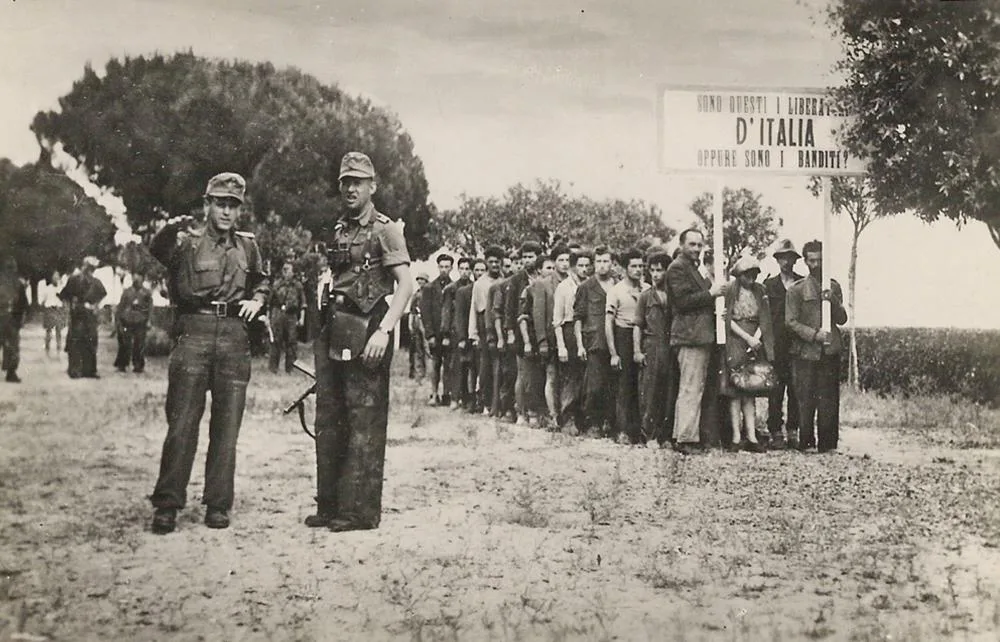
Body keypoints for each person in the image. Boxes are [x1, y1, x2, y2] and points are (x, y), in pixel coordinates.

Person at [148, 172, 269, 534]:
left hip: (234, 337)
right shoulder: (185, 242)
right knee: (182, 424)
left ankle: (218, 504)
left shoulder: (247, 246)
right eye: (220, 203)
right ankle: (167, 504)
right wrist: (170, 226)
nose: (227, 212)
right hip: (194, 333)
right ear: (206, 205)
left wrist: (258, 299)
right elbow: (157, 250)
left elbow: (261, 280)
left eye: (233, 205)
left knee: (227, 427)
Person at [307, 152, 413, 532]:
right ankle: (330, 504)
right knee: (330, 419)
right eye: (345, 182)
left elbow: (406, 285)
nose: (351, 188)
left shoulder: (385, 230)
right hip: (335, 329)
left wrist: (384, 330)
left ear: (373, 187)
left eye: (358, 182)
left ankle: (359, 512)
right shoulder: (340, 229)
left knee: (363, 421)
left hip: (367, 329)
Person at [666, 229, 728, 454]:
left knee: (692, 387)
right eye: (692, 244)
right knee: (691, 388)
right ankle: (686, 439)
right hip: (690, 336)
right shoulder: (677, 268)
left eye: (699, 245)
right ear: (681, 244)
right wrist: (711, 294)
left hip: (700, 335)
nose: (696, 249)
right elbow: (682, 301)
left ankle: (682, 434)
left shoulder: (693, 268)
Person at [786, 240, 847, 453]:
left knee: (829, 398)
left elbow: (842, 319)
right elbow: (791, 322)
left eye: (820, 260)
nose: (816, 264)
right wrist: (814, 335)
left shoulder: (834, 286)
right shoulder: (797, 290)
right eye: (811, 260)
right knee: (805, 397)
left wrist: (834, 302)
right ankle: (806, 441)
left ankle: (828, 443)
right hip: (806, 352)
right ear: (805, 262)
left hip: (829, 351)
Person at [720, 255, 774, 453]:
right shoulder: (730, 290)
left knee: (750, 389)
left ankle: (751, 435)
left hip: (755, 340)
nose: (751, 279)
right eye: (746, 275)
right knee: (735, 389)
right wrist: (746, 337)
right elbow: (727, 319)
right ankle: (736, 436)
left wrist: (756, 338)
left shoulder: (760, 291)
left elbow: (765, 317)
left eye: (753, 275)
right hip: (736, 339)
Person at [763, 239, 804, 448]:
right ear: (777, 260)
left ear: (795, 260)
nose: (786, 262)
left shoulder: (802, 283)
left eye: (789, 258)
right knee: (775, 389)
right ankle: (775, 430)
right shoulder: (769, 285)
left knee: (796, 388)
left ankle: (793, 430)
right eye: (782, 258)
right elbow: (763, 316)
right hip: (776, 344)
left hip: (797, 344)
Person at [605, 248, 648, 443]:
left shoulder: (647, 289)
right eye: (634, 266)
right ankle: (621, 430)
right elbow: (608, 323)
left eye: (641, 266)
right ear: (625, 268)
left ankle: (638, 430)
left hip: (644, 337)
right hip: (623, 336)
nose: (638, 270)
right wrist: (614, 353)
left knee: (641, 386)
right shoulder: (616, 291)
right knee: (624, 384)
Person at [574, 246, 617, 437]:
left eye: (606, 261)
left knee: (613, 383)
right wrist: (580, 345)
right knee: (594, 385)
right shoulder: (586, 287)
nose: (602, 265)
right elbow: (578, 318)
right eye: (599, 261)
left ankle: (610, 422)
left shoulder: (618, 285)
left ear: (612, 263)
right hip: (595, 341)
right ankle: (592, 423)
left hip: (616, 341)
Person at [634, 251, 673, 445]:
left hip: (671, 347)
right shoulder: (645, 297)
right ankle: (648, 434)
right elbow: (638, 326)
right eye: (653, 270)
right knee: (650, 392)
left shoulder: (674, 295)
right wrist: (637, 351)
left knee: (668, 392)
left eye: (660, 270)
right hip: (651, 346)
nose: (656, 274)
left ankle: (664, 435)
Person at [552, 249, 591, 431]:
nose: (584, 269)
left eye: (587, 265)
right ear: (574, 267)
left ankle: (584, 419)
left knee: (585, 378)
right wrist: (561, 346)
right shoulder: (564, 287)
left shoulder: (591, 285)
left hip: (588, 331)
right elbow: (557, 320)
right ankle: (567, 419)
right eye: (580, 265)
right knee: (570, 378)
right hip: (569, 332)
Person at [503, 242, 541, 424]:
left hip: (539, 332)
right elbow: (509, 310)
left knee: (536, 374)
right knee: (523, 373)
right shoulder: (516, 280)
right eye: (524, 257)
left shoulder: (542, 275)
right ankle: (521, 412)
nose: (527, 260)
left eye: (531, 256)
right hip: (521, 332)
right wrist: (510, 333)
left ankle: (536, 411)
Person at [59, 256, 107, 379]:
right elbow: (64, 296)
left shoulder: (96, 283)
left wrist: (95, 307)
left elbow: (102, 296)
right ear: (84, 266)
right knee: (75, 341)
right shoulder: (74, 280)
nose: (90, 270)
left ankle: (89, 370)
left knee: (91, 341)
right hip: (77, 315)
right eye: (89, 267)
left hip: (90, 316)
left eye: (92, 268)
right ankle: (74, 369)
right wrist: (70, 307)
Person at [518, 255, 552, 426]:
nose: (551, 272)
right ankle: (531, 412)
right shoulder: (530, 290)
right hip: (532, 337)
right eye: (548, 268)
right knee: (533, 377)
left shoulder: (555, 288)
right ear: (539, 270)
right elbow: (523, 318)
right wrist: (527, 342)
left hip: (548, 337)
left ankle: (545, 413)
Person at [470, 247, 503, 415]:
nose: (495, 265)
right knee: (485, 368)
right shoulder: (480, 284)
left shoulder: (505, 280)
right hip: (484, 325)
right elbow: (474, 310)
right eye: (491, 262)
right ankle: (485, 402)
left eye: (497, 262)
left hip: (500, 324)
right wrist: (473, 334)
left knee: (500, 367)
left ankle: (498, 404)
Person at [442, 258, 474, 410]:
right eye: (462, 269)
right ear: (458, 270)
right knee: (457, 365)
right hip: (457, 331)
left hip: (471, 329)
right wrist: (446, 334)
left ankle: (468, 398)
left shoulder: (474, 287)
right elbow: (447, 312)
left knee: (470, 365)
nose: (465, 272)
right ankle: (455, 397)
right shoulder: (452, 288)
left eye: (468, 269)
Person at [422, 254, 453, 405]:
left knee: (449, 364)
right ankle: (434, 393)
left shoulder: (454, 287)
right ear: (438, 267)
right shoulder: (429, 288)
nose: (444, 270)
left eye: (447, 267)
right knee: (435, 364)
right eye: (441, 266)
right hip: (435, 332)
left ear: (451, 268)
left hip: (449, 334)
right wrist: (430, 335)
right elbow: (425, 313)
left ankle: (447, 393)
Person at [268, 260, 305, 374]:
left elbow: (303, 303)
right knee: (276, 341)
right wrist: (268, 318)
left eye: (288, 270)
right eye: (284, 270)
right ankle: (273, 368)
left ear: (293, 272)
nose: (285, 272)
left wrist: (302, 318)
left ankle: (291, 368)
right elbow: (269, 303)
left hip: (291, 315)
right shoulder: (277, 284)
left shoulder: (298, 285)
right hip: (278, 313)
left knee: (292, 341)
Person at [114, 271, 153, 374]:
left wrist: (149, 320)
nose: (136, 280)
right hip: (127, 320)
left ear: (142, 279)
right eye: (134, 278)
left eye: (139, 278)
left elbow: (150, 308)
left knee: (139, 344)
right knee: (125, 343)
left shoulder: (146, 293)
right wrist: (118, 321)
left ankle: (138, 365)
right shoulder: (127, 292)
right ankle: (122, 364)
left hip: (141, 321)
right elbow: (121, 307)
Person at [0, 256, 28, 383]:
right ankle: (11, 373)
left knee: (12, 346)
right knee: (12, 346)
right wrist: (21, 319)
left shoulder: (17, 283)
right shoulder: (18, 283)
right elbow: (23, 304)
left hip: (7, 318)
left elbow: (23, 304)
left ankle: (11, 373)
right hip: (11, 319)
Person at [38, 270, 67, 356]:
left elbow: (64, 299)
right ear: (51, 279)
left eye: (57, 277)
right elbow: (42, 300)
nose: (56, 279)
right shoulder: (48, 288)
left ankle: (59, 346)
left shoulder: (61, 288)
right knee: (48, 329)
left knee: (58, 329)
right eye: (54, 277)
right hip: (50, 309)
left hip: (58, 309)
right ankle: (47, 346)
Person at [408, 273, 429, 379]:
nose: (421, 282)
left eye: (423, 280)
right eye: (419, 280)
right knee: (417, 348)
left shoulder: (430, 293)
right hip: (417, 320)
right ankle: (418, 373)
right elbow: (412, 310)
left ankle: (428, 373)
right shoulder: (416, 294)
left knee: (428, 347)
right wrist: (410, 324)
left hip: (427, 322)